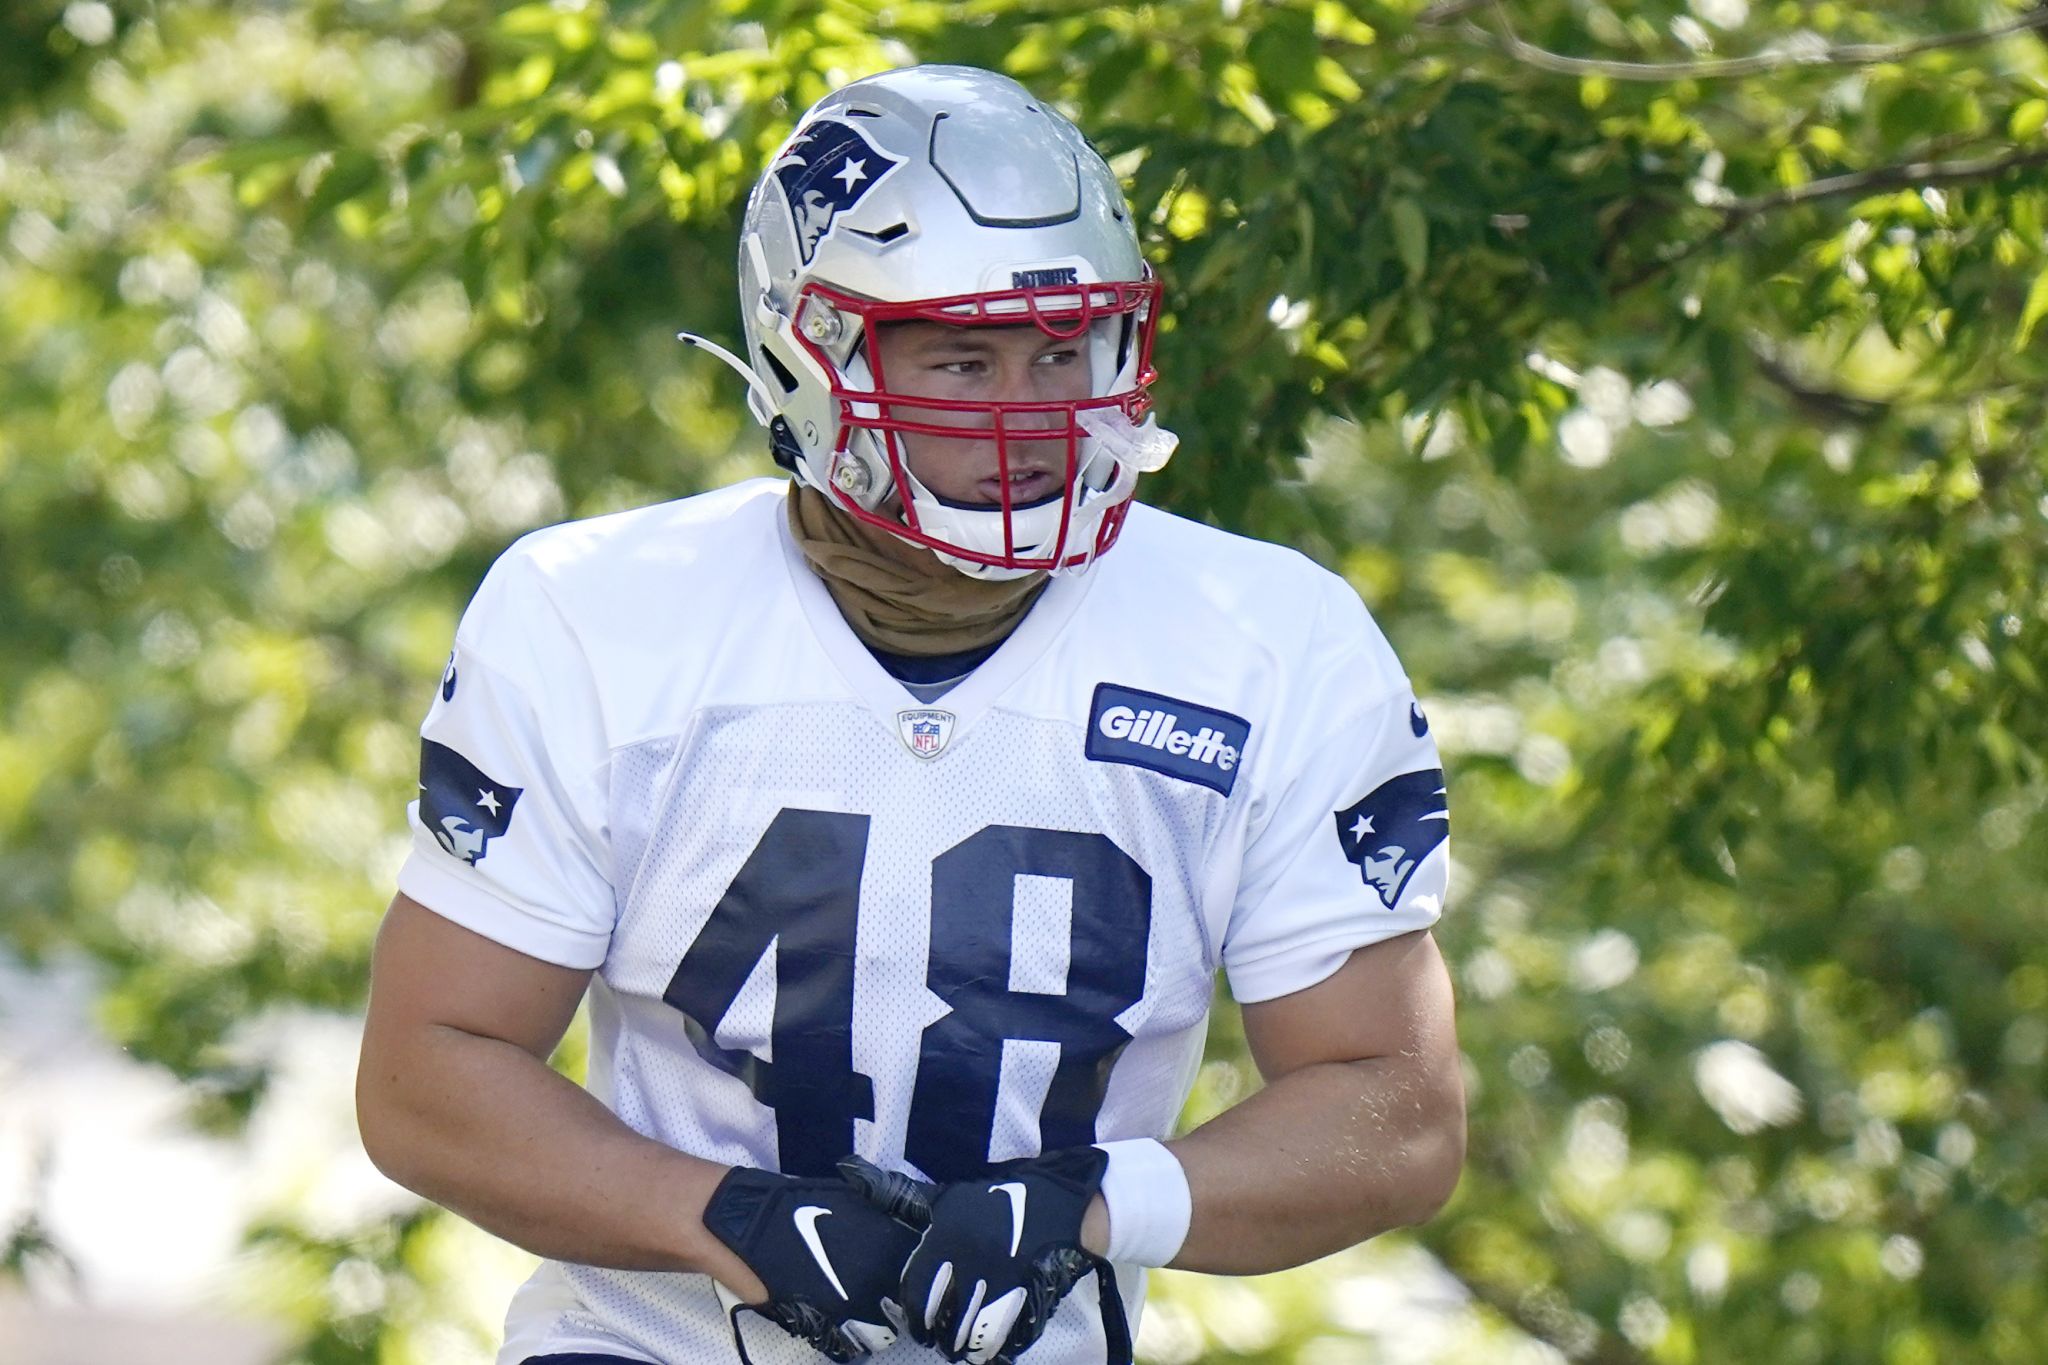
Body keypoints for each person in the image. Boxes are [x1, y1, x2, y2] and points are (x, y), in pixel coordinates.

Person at [356, 63, 1464, 1365]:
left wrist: (1097, 1203)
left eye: (1063, 348)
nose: (1032, 414)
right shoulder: (595, 613)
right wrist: (721, 1216)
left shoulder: (1270, 640)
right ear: (805, 356)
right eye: (961, 356)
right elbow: (428, 1070)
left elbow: (1396, 1107)